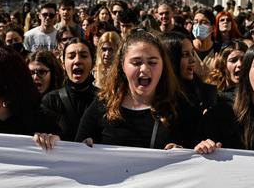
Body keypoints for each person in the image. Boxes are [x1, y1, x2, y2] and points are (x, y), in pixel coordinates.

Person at [64, 31, 199, 150]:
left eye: (152, 62)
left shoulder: (180, 106)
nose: (144, 69)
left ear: (163, 65)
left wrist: (184, 151)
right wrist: (84, 148)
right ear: (122, 65)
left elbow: (197, 155)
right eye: (136, 62)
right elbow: (77, 152)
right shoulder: (103, 106)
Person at [40, 37, 98, 141]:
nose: (77, 60)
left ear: (93, 62)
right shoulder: (51, 101)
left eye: (84, 56)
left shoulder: (105, 100)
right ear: (63, 64)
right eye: (71, 56)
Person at [161, 31, 218, 114]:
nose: (193, 60)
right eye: (185, 55)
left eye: (192, 53)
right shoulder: (158, 99)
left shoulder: (201, 91)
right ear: (170, 59)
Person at [206, 40, 247, 105]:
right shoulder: (212, 94)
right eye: (233, 60)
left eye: (243, 60)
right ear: (223, 65)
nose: (240, 64)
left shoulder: (253, 96)